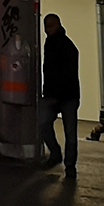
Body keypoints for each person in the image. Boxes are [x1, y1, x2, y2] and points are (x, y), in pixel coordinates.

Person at [40, 13, 80, 179]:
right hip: (66, 95)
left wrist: (51, 92)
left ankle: (59, 156)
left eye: (50, 26)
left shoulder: (58, 45)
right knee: (69, 132)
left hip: (61, 95)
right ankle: (68, 164)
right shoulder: (64, 45)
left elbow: (60, 72)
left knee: (45, 124)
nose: (48, 30)